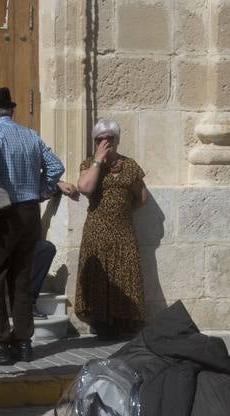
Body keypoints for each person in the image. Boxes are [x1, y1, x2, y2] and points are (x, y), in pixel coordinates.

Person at [0, 86, 65, 366]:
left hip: (4, 211)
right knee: (21, 278)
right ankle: (22, 342)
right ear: (11, 110)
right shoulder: (30, 134)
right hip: (29, 211)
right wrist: (41, 190)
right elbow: (56, 166)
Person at [74, 118, 150, 339]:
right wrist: (98, 160)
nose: (105, 143)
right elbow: (85, 188)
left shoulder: (130, 166)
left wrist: (124, 214)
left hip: (123, 232)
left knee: (125, 276)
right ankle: (101, 323)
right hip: (96, 231)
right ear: (95, 141)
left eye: (110, 139)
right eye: (100, 139)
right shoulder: (88, 164)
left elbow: (142, 198)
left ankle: (124, 323)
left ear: (117, 140)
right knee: (99, 277)